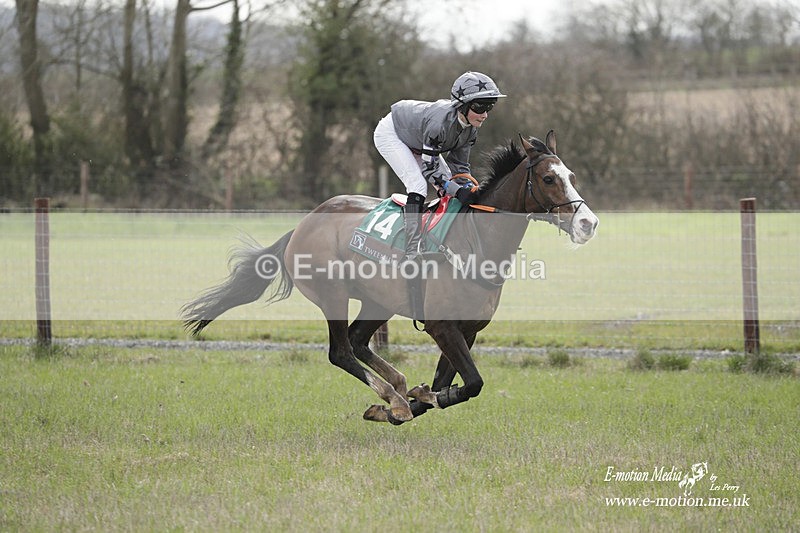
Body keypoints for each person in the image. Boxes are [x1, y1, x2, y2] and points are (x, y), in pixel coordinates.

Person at [373, 71, 507, 263]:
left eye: (489, 108)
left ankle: (444, 239)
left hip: (418, 138)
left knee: (451, 187)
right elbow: (429, 170)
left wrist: (466, 189)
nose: (485, 115)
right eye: (480, 107)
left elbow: (459, 166)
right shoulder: (439, 125)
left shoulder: (471, 129)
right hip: (392, 132)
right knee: (418, 185)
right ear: (463, 106)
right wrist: (457, 191)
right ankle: (411, 249)